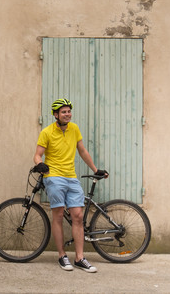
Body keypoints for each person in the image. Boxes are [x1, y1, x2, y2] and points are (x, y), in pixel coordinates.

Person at [33, 98, 108, 273]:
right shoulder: (46, 132)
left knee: (78, 216)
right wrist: (40, 164)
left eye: (69, 111)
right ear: (56, 115)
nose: (67, 114)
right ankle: (62, 255)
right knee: (58, 215)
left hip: (71, 177)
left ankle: (80, 258)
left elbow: (82, 151)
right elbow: (37, 155)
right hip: (54, 177)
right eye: (64, 112)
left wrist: (95, 169)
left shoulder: (74, 129)